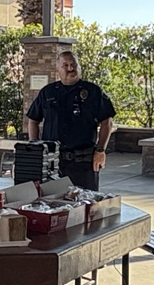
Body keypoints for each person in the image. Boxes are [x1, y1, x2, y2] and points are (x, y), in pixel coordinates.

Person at [25, 50, 115, 190]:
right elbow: (33, 120)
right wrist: (35, 147)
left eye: (74, 64)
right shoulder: (48, 92)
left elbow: (107, 122)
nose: (70, 68)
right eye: (65, 65)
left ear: (79, 67)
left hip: (83, 163)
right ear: (57, 70)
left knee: (86, 204)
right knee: (52, 204)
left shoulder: (93, 92)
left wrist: (100, 150)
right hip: (53, 162)